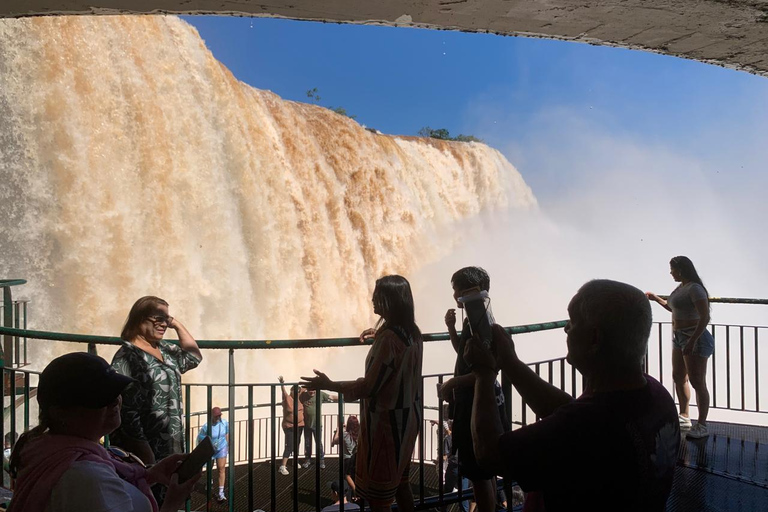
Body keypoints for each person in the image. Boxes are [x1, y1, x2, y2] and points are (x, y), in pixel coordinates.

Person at [468, 280, 680, 512]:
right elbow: (569, 410)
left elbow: (489, 454)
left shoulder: (586, 425)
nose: (566, 328)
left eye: (573, 321)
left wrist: (484, 374)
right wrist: (509, 362)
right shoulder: (657, 397)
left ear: (594, 339)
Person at [7, 352, 200, 512]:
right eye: (100, 398)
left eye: (115, 391)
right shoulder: (88, 478)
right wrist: (173, 503)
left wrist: (150, 475)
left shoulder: (44, 450)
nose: (115, 401)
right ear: (61, 413)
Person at [302, 275, 423, 512]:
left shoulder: (389, 339)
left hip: (388, 429)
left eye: (378, 296)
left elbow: (368, 387)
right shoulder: (413, 332)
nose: (372, 299)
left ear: (390, 301)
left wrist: (329, 384)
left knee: (380, 500)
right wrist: (379, 334)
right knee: (401, 484)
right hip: (409, 420)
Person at [440, 267, 509, 512]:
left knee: (478, 472)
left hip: (476, 402)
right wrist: (451, 327)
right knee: (485, 468)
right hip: (480, 398)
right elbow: (465, 352)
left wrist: (452, 383)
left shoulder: (478, 316)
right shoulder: (475, 316)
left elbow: (485, 370)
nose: (455, 296)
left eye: (456, 290)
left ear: (469, 290)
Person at [110, 297, 202, 466]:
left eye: (166, 319)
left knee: (171, 488)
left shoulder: (164, 348)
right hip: (144, 450)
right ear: (139, 319)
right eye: (158, 319)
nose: (164, 324)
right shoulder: (127, 356)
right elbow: (126, 412)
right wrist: (145, 453)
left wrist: (176, 324)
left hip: (170, 442)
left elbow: (193, 357)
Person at [647, 256, 714, 439]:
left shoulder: (695, 288)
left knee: (697, 381)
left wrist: (692, 341)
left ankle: (702, 425)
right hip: (679, 338)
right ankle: (684, 416)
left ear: (681, 270)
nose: (671, 273)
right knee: (678, 376)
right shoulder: (681, 287)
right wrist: (655, 298)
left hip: (695, 338)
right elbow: (672, 307)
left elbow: (704, 317)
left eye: (673, 269)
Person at [430, 419, 470, 512]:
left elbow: (444, 456)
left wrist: (438, 462)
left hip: (453, 466)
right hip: (464, 465)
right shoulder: (465, 436)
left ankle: (443, 508)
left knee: (447, 490)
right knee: (463, 493)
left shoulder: (449, 438)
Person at [299, 387, 338, 469]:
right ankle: (308, 459)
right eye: (310, 390)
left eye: (313, 390)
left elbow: (331, 397)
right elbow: (295, 395)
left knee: (318, 443)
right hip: (307, 425)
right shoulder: (303, 395)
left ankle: (321, 460)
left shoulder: (320, 394)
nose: (312, 392)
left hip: (317, 425)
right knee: (307, 443)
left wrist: (342, 397)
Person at [196, 406, 229, 503]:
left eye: (219, 415)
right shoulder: (207, 426)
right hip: (211, 448)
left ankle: (221, 492)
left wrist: (227, 446)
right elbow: (200, 437)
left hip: (221, 447)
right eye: (216, 416)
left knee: (221, 468)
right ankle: (209, 481)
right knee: (209, 467)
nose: (218, 417)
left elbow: (227, 434)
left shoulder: (224, 423)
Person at [278, 375, 304, 475]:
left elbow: (303, 388)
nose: (296, 392)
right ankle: (282, 466)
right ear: (291, 391)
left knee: (297, 443)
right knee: (289, 445)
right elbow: (283, 391)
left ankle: (295, 461)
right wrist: (282, 383)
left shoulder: (299, 397)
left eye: (298, 391)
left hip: (300, 425)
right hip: (289, 426)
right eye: (295, 391)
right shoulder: (287, 398)